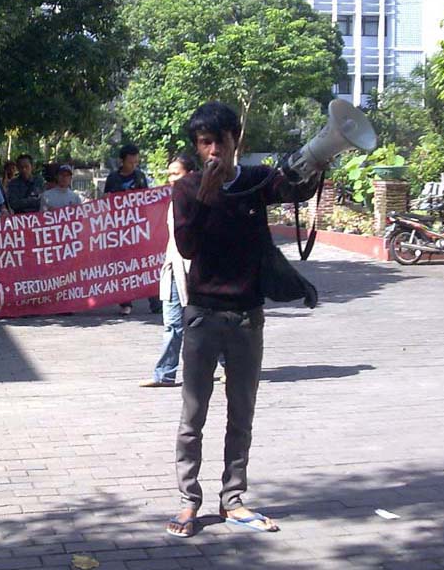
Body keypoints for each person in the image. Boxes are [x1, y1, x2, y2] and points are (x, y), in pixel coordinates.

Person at [165, 102, 321, 538]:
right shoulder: (187, 189)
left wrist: (320, 157)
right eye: (204, 143)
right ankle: (188, 500)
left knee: (242, 412)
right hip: (202, 315)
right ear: (197, 148)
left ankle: (233, 498)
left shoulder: (255, 182)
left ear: (237, 142)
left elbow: (295, 189)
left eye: (221, 141)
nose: (213, 150)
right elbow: (189, 246)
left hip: (247, 316)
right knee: (192, 416)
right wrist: (207, 194)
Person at [142, 154, 204, 387]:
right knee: (173, 324)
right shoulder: (173, 202)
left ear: (190, 174)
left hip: (195, 272)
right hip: (173, 270)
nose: (170, 179)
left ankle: (229, 366)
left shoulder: (202, 201)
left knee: (203, 323)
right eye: (169, 174)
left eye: (175, 173)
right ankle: (165, 374)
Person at [103, 144, 160, 316]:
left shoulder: (141, 176)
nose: (134, 165)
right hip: (120, 229)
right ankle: (125, 303)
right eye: (130, 162)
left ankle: (155, 304)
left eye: (136, 162)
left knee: (146, 264)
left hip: (140, 228)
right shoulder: (112, 178)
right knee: (123, 267)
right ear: (122, 161)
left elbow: (147, 198)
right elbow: (106, 201)